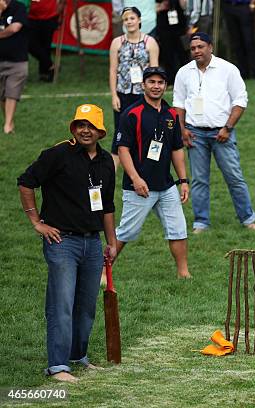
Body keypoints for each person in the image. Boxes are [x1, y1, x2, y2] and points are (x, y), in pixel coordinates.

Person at [17, 104, 117, 383]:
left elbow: (107, 205)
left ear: (100, 131)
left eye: (91, 126)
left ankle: (77, 356)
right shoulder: (57, 154)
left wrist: (111, 242)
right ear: (74, 128)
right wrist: (37, 222)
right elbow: (26, 183)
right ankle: (58, 366)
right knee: (61, 303)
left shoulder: (107, 161)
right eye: (80, 125)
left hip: (93, 243)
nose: (85, 130)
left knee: (86, 306)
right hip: (62, 242)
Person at [173, 32, 255, 233]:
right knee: (199, 180)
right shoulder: (183, 72)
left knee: (234, 177)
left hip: (222, 133)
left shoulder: (227, 69)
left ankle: (248, 220)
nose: (196, 51)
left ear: (210, 47)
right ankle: (201, 223)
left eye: (200, 47)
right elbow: (178, 104)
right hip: (194, 133)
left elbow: (240, 100)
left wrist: (228, 128)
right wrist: (182, 130)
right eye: (193, 48)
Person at [115, 67, 191, 278]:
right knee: (126, 232)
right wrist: (135, 178)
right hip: (139, 187)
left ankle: (183, 273)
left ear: (165, 86)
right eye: (152, 82)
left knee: (178, 229)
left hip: (166, 185)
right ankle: (104, 270)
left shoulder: (172, 114)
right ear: (143, 85)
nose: (156, 86)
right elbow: (122, 150)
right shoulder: (131, 114)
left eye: (160, 82)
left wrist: (183, 180)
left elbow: (177, 149)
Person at [109, 6, 159, 168]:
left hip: (142, 95)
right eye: (126, 19)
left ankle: (147, 166)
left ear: (139, 20)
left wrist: (153, 97)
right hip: (123, 93)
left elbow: (154, 73)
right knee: (120, 132)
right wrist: (114, 95)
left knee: (146, 131)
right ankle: (111, 173)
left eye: (132, 18)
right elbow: (113, 70)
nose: (129, 22)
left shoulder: (150, 42)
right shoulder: (117, 43)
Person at [0, 0, 28, 134]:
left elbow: (15, 28)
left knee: (12, 92)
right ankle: (8, 121)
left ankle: (8, 124)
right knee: (2, 95)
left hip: (17, 60)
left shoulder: (19, 8)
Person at [222, 0, 255, 81]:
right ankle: (243, 72)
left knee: (249, 41)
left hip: (244, 6)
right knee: (236, 42)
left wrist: (252, 4)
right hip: (229, 6)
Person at [28, 0, 64, 82]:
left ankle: (45, 73)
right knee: (29, 43)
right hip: (31, 16)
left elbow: (62, 1)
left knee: (45, 45)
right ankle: (50, 65)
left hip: (49, 16)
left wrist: (59, 13)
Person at [155, 0, 188, 84]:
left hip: (178, 22)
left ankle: (185, 77)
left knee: (182, 53)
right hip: (164, 23)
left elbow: (184, 5)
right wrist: (159, 6)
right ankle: (171, 79)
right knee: (167, 53)